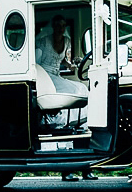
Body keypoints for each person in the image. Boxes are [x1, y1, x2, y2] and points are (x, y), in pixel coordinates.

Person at [36, 14, 96, 181]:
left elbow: (62, 61)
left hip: (56, 74)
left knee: (82, 88)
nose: (61, 28)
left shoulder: (67, 41)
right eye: (58, 25)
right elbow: (35, 63)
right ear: (53, 26)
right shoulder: (43, 41)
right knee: (76, 89)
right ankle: (63, 122)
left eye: (63, 25)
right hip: (44, 75)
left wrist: (70, 65)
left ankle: (80, 123)